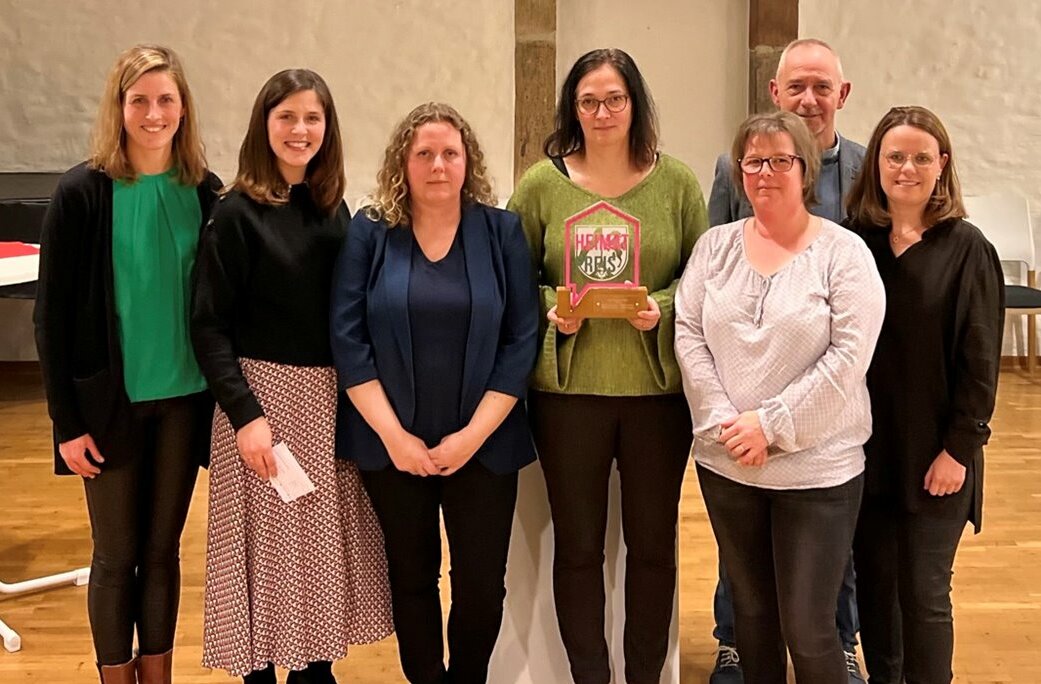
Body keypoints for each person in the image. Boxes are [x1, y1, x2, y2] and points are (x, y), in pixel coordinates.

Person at [508, 48, 706, 684]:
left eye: (614, 99)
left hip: (656, 398)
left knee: (652, 547)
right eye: (588, 101)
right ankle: (590, 675)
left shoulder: (677, 184)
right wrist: (552, 308)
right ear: (573, 109)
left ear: (634, 104)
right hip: (570, 399)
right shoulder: (540, 186)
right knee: (578, 547)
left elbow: (703, 279)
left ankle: (645, 675)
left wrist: (660, 308)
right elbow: (513, 280)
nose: (601, 113)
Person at [191, 69, 392, 684]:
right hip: (262, 406)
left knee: (315, 555)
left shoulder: (334, 209)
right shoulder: (234, 214)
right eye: (286, 117)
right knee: (266, 556)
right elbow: (208, 327)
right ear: (264, 124)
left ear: (328, 128)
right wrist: (246, 417)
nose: (299, 130)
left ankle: (314, 670)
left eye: (312, 118)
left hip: (326, 403)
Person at [329, 102, 538, 684]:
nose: (438, 165)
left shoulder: (501, 232)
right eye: (424, 154)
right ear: (403, 162)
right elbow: (348, 337)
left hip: (485, 447)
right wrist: (394, 438)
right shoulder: (370, 231)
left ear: (468, 162)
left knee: (481, 586)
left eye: (450, 153)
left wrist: (471, 438)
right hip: (393, 449)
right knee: (411, 578)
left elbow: (522, 339)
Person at [675, 110, 885, 684]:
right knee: (751, 617)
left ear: (805, 169)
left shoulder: (843, 254)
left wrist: (769, 426)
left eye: (780, 160)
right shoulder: (714, 247)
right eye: (753, 162)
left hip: (818, 471)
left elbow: (849, 358)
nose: (765, 172)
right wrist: (725, 422)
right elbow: (688, 333)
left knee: (810, 627)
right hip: (728, 464)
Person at [33, 44, 220, 684]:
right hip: (106, 407)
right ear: (118, 107)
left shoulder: (206, 192)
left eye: (166, 99)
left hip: (184, 402)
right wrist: (66, 424)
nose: (153, 113)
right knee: (115, 556)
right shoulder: (81, 193)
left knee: (162, 554)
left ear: (183, 109)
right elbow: (50, 320)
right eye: (139, 100)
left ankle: (158, 676)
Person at [845, 105, 1003, 684]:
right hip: (866, 452)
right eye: (894, 156)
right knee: (876, 594)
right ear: (876, 164)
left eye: (919, 157)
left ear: (942, 164)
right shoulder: (854, 243)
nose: (906, 168)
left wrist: (959, 450)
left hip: (938, 455)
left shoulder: (968, 249)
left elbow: (981, 364)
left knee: (924, 595)